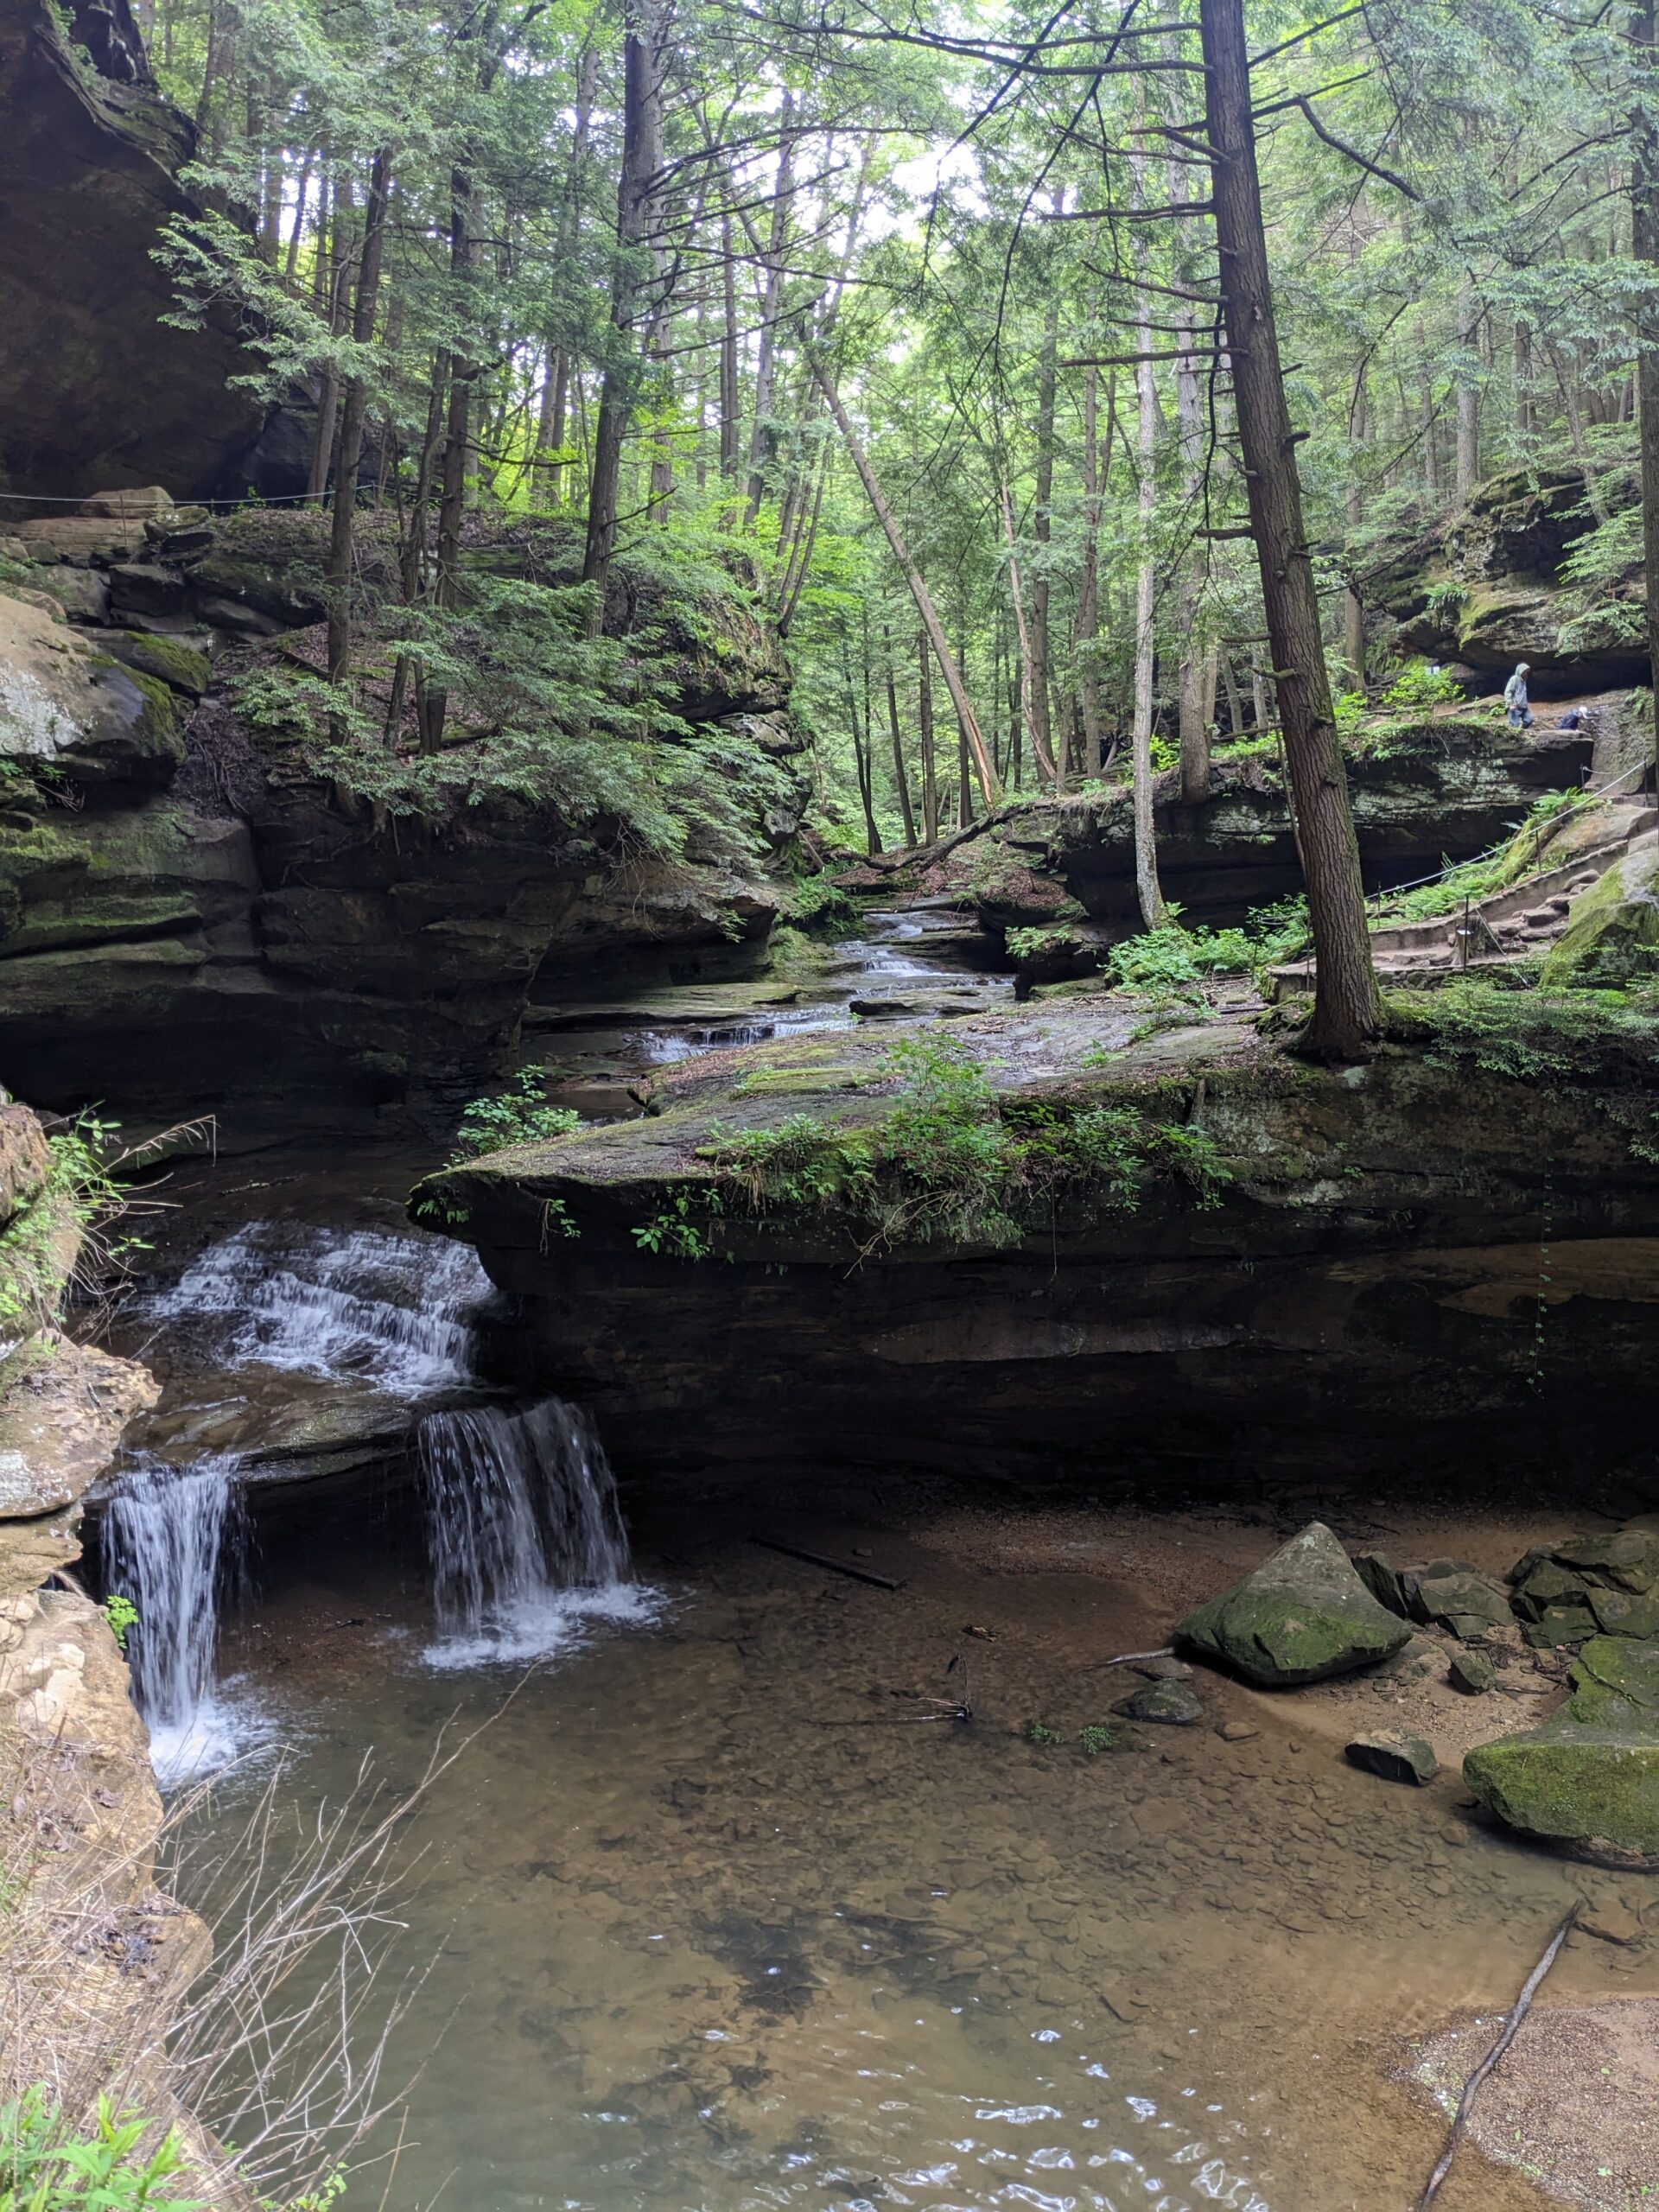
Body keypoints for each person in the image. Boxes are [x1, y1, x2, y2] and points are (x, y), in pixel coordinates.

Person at [1503, 663, 1533, 731]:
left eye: (1527, 672)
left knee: (1529, 720)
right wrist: (1510, 704)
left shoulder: (1524, 681)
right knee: (1515, 725)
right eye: (1525, 672)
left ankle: (1522, 732)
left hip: (1523, 707)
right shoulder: (1514, 679)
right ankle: (1513, 738)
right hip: (1514, 707)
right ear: (1520, 672)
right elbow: (1508, 692)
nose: (1526, 674)